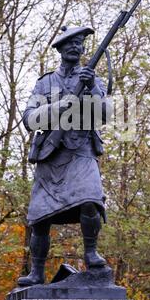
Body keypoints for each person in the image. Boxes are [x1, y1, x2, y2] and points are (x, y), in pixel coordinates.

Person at [18, 26, 111, 286]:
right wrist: (60, 106)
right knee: (39, 219)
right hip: (51, 153)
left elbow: (105, 115)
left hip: (81, 148)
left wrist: (91, 87)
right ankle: (37, 272)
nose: (75, 46)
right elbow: (29, 119)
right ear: (59, 48)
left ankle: (91, 253)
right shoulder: (45, 83)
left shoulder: (95, 80)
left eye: (79, 42)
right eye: (69, 43)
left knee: (91, 199)